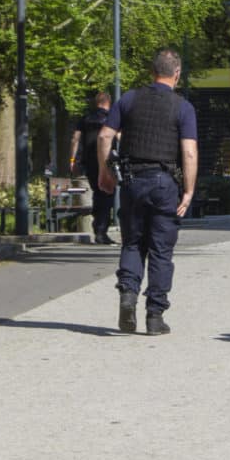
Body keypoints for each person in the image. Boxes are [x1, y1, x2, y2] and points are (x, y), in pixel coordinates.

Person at [97, 49, 198, 335]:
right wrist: (189, 190)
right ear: (176, 73)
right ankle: (155, 316)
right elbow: (189, 152)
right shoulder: (183, 107)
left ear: (151, 71)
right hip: (166, 183)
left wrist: (105, 172)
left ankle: (127, 296)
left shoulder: (129, 99)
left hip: (132, 181)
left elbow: (105, 135)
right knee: (160, 251)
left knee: (132, 243)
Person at [69, 92, 116, 244]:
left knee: (97, 191)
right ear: (109, 102)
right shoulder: (112, 118)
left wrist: (72, 159)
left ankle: (99, 228)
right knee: (107, 194)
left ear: (96, 103)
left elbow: (75, 139)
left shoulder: (85, 118)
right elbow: (121, 136)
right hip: (107, 161)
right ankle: (101, 230)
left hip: (89, 162)